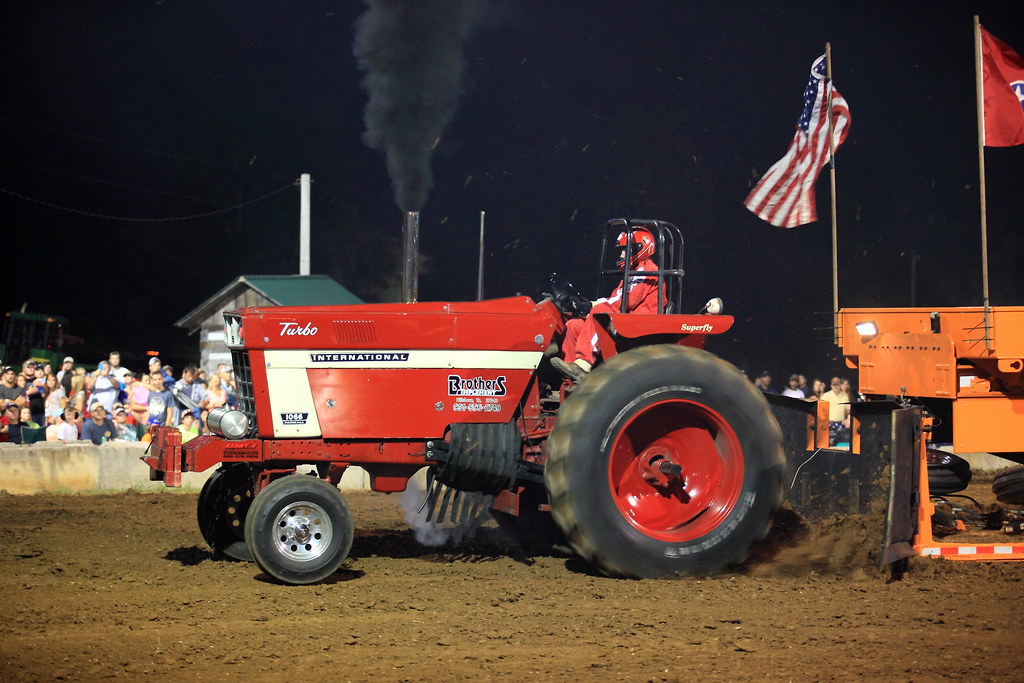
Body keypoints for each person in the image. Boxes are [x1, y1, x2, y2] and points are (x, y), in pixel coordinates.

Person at [551, 227, 662, 381]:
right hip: (625, 318)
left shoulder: (648, 271)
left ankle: (582, 365)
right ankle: (571, 375)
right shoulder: (632, 272)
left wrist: (593, 307)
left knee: (601, 312)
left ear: (639, 249)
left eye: (625, 250)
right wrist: (589, 303)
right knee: (573, 325)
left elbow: (629, 300)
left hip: (639, 323)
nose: (622, 255)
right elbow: (616, 297)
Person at [820, 376, 851, 446]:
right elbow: (820, 410)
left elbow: (848, 410)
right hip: (830, 424)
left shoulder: (844, 395)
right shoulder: (826, 396)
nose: (836, 387)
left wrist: (848, 419)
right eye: (834, 385)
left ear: (840, 385)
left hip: (841, 425)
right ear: (831, 386)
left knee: (843, 444)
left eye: (837, 385)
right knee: (830, 445)